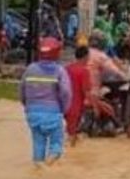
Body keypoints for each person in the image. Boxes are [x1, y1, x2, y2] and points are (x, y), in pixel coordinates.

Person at [18, 37, 72, 166]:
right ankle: (48, 166)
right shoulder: (59, 71)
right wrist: (65, 109)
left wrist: (27, 106)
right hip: (53, 113)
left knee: (38, 144)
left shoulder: (30, 69)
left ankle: (39, 168)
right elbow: (66, 92)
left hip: (32, 114)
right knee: (56, 147)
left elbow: (21, 90)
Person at [64, 46, 92, 146]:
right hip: (76, 106)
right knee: (72, 135)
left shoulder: (66, 69)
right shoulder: (84, 71)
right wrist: (95, 106)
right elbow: (86, 91)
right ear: (85, 57)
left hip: (63, 105)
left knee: (68, 132)